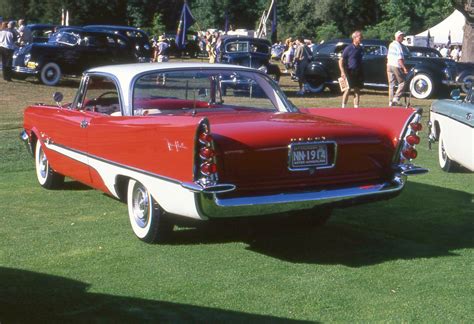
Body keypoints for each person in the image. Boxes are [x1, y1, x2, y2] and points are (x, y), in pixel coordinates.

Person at [339, 30, 364, 108]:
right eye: (360, 37)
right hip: (349, 71)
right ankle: (343, 107)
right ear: (355, 38)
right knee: (348, 89)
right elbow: (340, 60)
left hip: (358, 71)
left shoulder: (360, 48)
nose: (361, 38)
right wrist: (342, 72)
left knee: (357, 90)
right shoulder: (348, 48)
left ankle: (356, 107)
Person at [386, 31, 409, 106]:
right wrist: (404, 68)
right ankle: (396, 98)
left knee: (391, 84)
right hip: (396, 65)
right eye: (402, 37)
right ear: (398, 37)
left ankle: (390, 101)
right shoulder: (398, 46)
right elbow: (399, 59)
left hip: (389, 65)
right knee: (402, 82)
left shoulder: (391, 44)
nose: (403, 39)